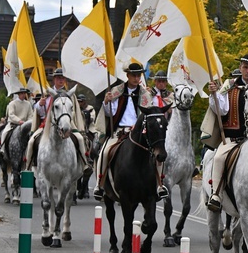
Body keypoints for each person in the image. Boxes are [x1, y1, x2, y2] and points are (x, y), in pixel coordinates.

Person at [92, 62, 167, 200]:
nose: (136, 78)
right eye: (134, 75)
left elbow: (149, 114)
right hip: (120, 131)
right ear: (127, 75)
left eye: (139, 75)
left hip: (139, 132)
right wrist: (107, 102)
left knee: (158, 153)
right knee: (105, 151)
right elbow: (110, 114)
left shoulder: (145, 94)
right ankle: (99, 184)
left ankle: (159, 185)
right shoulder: (116, 91)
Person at [203, 54, 248, 212]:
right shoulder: (230, 86)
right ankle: (216, 194)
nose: (247, 70)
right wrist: (214, 94)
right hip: (234, 140)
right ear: (241, 67)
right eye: (245, 67)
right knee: (218, 157)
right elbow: (221, 110)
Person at [25, 68, 88, 169]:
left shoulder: (70, 95)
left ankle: (84, 163)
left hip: (67, 123)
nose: (61, 80)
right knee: (32, 141)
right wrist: (40, 105)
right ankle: (29, 164)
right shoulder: (46, 94)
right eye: (59, 78)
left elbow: (74, 111)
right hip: (47, 125)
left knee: (80, 139)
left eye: (63, 78)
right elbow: (41, 113)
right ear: (54, 79)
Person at [0, 88, 32, 160]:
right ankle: (2, 148)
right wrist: (19, 121)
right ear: (18, 94)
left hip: (25, 125)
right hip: (13, 124)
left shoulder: (28, 104)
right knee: (4, 133)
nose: (23, 95)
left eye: (24, 93)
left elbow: (30, 115)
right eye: (21, 93)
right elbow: (11, 114)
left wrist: (28, 122)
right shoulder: (12, 103)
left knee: (32, 135)